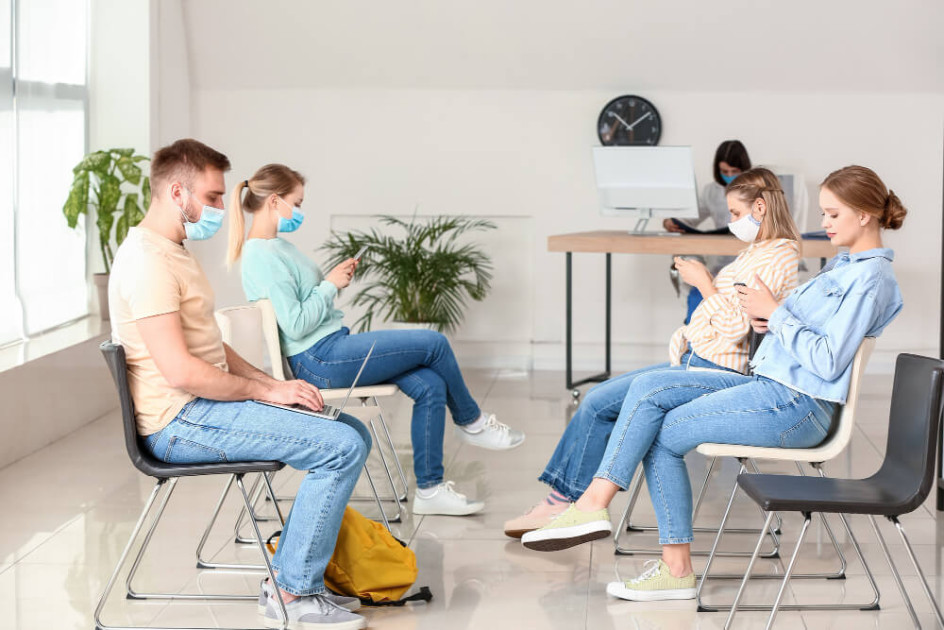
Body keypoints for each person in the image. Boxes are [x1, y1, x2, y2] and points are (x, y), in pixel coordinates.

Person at [521, 165, 907, 605]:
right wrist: (772, 316)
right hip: (771, 388)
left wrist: (776, 315)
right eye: (823, 213)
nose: (823, 223)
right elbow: (807, 334)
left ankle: (621, 528)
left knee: (656, 413)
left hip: (796, 406)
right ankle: (630, 535)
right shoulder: (845, 267)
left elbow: (829, 358)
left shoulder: (871, 278)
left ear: (865, 215)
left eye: (833, 214)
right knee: (652, 403)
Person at [108, 139, 369, 629]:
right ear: (177, 191)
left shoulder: (175, 250)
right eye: (210, 197)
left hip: (203, 407)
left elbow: (208, 346)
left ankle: (290, 577)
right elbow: (181, 371)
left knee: (352, 429)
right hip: (180, 421)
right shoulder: (148, 262)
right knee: (340, 445)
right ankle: (293, 593)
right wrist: (267, 392)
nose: (219, 208)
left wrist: (271, 381)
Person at [504, 167, 801, 537]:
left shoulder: (778, 257)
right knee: (597, 400)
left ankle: (569, 505)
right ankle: (562, 502)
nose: (731, 222)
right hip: (699, 361)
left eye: (736, 214)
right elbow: (734, 318)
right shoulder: (755, 253)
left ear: (760, 206)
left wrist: (705, 283)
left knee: (608, 402)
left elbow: (736, 330)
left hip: (719, 371)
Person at [226, 163, 525, 518]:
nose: (300, 211)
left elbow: (306, 308)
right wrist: (330, 284)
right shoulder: (262, 255)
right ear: (274, 201)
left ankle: (430, 490)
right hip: (318, 360)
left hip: (331, 347)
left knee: (429, 384)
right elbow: (295, 324)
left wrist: (332, 282)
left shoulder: (278, 247)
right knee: (434, 343)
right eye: (297, 202)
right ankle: (472, 422)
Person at [665, 140, 753, 323]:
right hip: (720, 264)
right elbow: (691, 217)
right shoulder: (711, 192)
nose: (729, 176)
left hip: (747, 263)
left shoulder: (756, 191)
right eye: (725, 172)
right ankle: (694, 336)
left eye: (734, 172)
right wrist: (669, 222)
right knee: (697, 292)